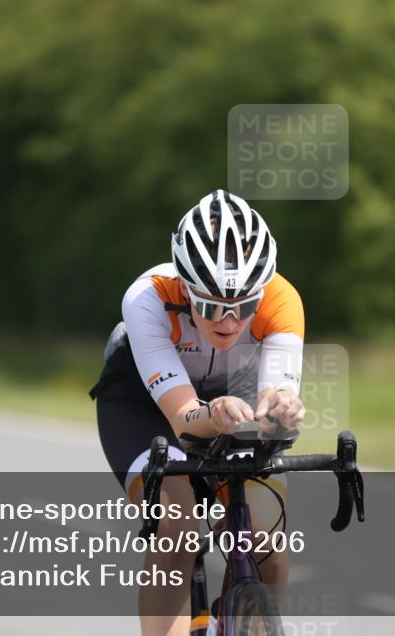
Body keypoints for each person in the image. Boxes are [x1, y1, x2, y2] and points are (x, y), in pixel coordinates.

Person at [91, 189, 306, 636]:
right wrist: (215, 413)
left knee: (265, 533)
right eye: (210, 306)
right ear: (186, 287)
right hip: (144, 404)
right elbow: (185, 417)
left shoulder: (283, 299)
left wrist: (281, 410)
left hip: (236, 392)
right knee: (181, 524)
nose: (228, 322)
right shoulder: (147, 298)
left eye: (244, 307)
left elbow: (274, 396)